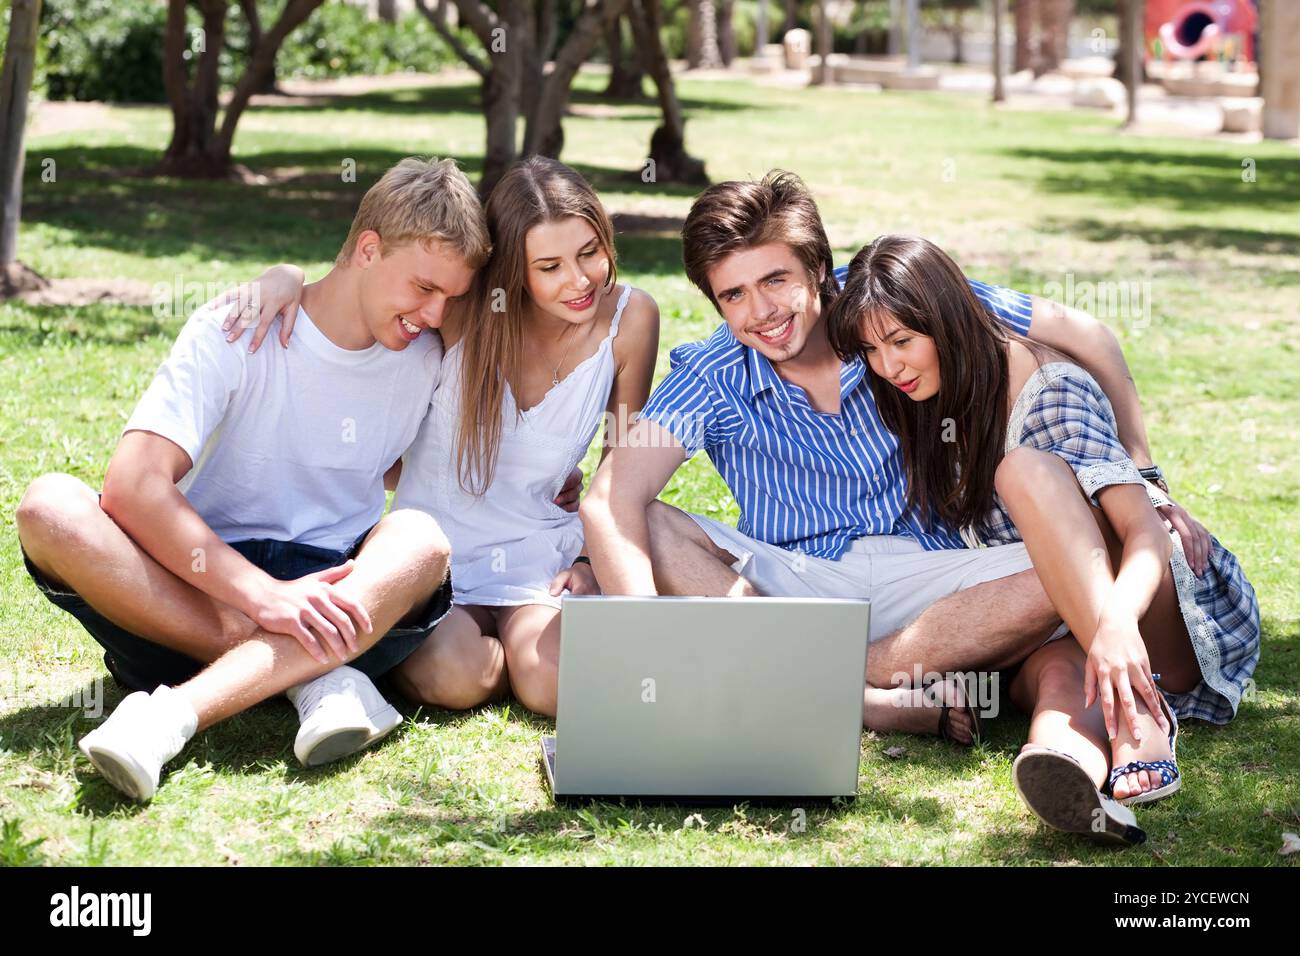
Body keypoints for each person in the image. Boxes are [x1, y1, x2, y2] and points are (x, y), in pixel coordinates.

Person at [580, 170, 1215, 745]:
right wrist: (648, 640)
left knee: (1091, 540)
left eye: (775, 280)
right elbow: (610, 501)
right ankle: (867, 697)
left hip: (941, 581)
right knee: (653, 522)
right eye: (733, 295)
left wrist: (1147, 477)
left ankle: (821, 683)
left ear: (819, 268)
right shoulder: (712, 374)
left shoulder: (889, 309)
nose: (761, 312)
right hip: (793, 588)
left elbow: (1091, 335)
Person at [14, 157, 489, 800]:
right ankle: (309, 677)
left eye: (450, 299)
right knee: (48, 506)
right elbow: (133, 486)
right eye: (424, 288)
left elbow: (422, 463)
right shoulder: (239, 326)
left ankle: (170, 717)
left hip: (339, 594)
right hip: (192, 596)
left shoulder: (426, 356)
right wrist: (264, 599)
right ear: (368, 249)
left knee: (421, 540)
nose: (435, 314)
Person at [826, 234, 1260, 844]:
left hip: (1149, 613)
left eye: (901, 341)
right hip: (1057, 618)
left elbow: (1143, 535)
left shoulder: (1048, 391)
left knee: (1022, 471)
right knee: (1059, 682)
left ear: (948, 320)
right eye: (871, 349)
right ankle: (1070, 774)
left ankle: (1142, 715)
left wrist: (1113, 624)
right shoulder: (923, 398)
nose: (888, 365)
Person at [220, 157, 659, 717]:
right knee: (451, 680)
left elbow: (620, 464)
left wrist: (595, 566)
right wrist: (286, 275)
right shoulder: (459, 311)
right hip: (433, 559)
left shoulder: (631, 317)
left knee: (552, 686)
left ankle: (526, 655)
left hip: (540, 554)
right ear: (512, 271)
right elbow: (364, 288)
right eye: (549, 266)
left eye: (589, 253)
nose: (578, 281)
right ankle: (504, 658)